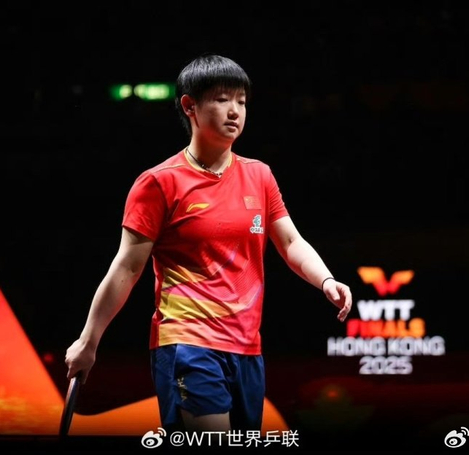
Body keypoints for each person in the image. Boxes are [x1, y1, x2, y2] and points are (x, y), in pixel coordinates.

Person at [65, 53, 352, 435]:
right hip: (186, 341)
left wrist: (326, 280)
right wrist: (88, 342)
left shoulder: (259, 175)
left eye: (242, 101)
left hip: (246, 347)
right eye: (221, 99)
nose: (235, 111)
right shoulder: (159, 183)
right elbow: (127, 268)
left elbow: (290, 241)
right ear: (190, 106)